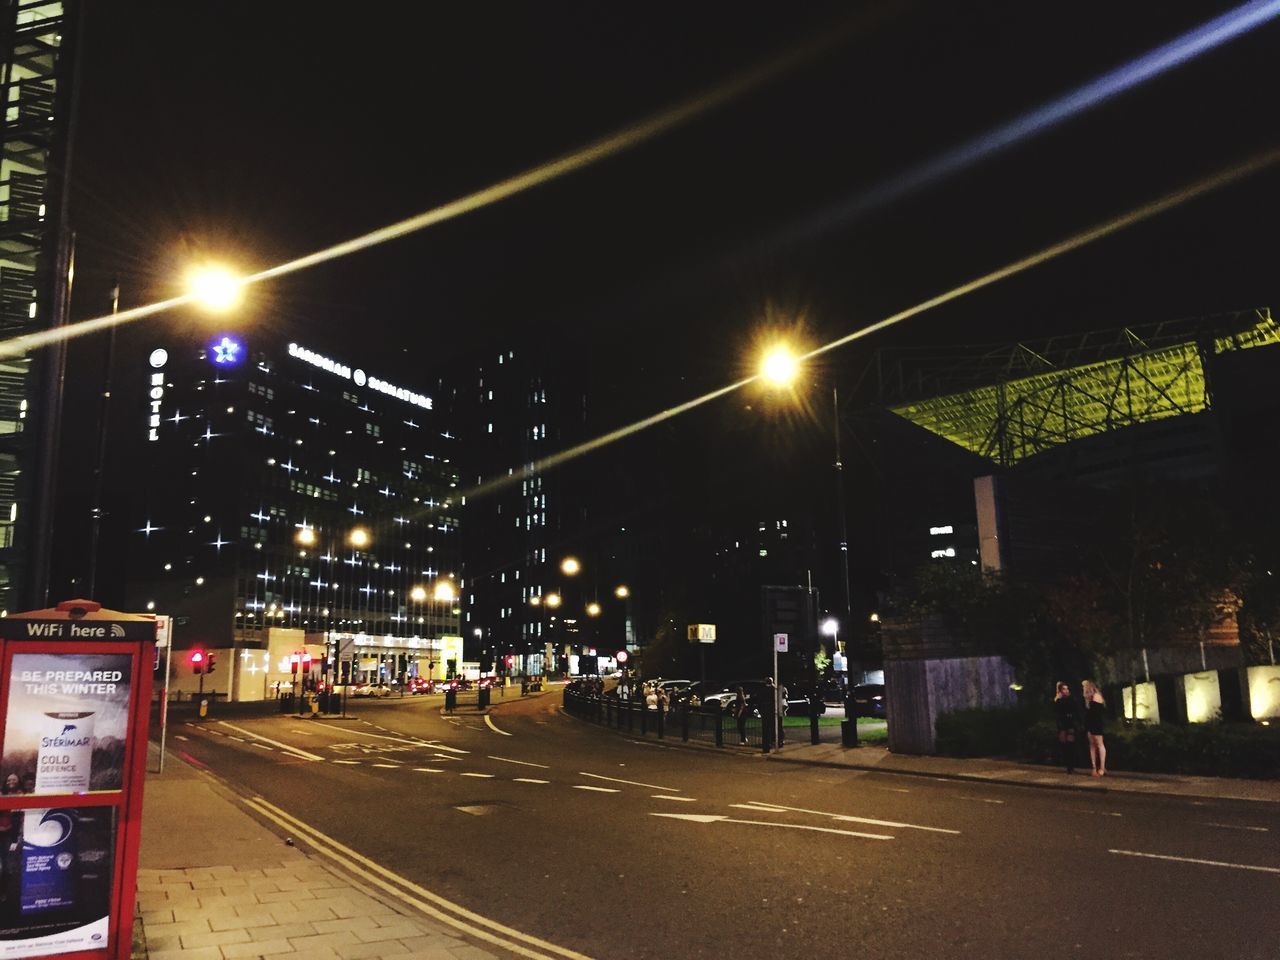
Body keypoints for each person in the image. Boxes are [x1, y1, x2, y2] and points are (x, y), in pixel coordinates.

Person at [1053, 682, 1080, 774]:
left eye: (1067, 689)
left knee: (1071, 745)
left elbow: (1076, 711)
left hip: (1070, 724)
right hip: (1063, 725)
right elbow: (1057, 714)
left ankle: (1071, 767)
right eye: (1064, 689)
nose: (1066, 690)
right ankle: (1068, 766)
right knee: (1065, 746)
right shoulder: (1059, 701)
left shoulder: (1071, 699)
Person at [1082, 680, 1107, 777]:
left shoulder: (1096, 696)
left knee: (1099, 744)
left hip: (1096, 723)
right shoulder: (1089, 699)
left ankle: (1102, 767)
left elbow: (1095, 713)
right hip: (1090, 724)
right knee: (1092, 745)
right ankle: (1094, 767)